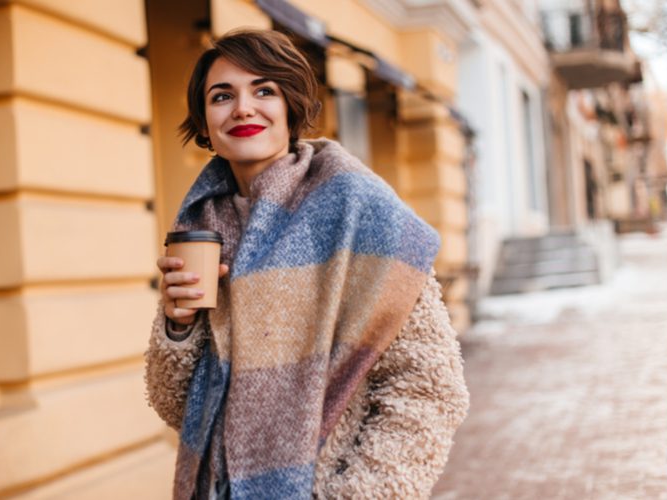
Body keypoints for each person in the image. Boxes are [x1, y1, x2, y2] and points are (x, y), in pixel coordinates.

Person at [145, 29, 469, 500]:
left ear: (291, 105)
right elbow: (179, 406)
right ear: (204, 122)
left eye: (264, 90)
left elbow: (429, 387)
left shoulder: (357, 208)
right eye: (222, 96)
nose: (242, 108)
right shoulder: (202, 221)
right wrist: (177, 326)